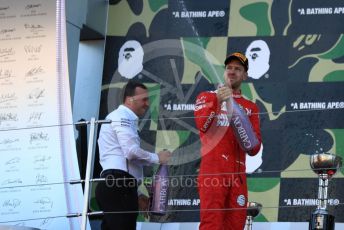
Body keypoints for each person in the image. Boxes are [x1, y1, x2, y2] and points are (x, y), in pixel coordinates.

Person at [194, 52, 262, 230]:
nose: (232, 72)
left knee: (235, 226)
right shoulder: (207, 97)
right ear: (224, 72)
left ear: (245, 75)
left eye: (238, 69)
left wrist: (239, 119)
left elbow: (254, 149)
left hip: (238, 178)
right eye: (229, 68)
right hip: (213, 173)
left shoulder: (251, 107)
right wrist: (218, 101)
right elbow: (203, 125)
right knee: (212, 224)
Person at [96, 80, 171, 230]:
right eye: (144, 99)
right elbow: (130, 152)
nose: (148, 104)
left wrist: (136, 194)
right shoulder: (122, 116)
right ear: (130, 100)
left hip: (119, 186)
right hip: (118, 185)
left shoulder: (122, 117)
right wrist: (157, 157)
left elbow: (124, 161)